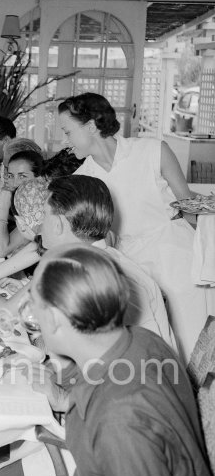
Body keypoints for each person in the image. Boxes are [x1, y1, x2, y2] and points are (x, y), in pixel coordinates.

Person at [0, 245, 214, 476]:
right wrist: (63, 396)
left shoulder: (121, 422)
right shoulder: (141, 341)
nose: (28, 316)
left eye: (33, 308)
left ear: (54, 322)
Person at [58, 92, 208, 362]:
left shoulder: (153, 151)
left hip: (175, 252)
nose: (64, 141)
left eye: (67, 132)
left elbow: (188, 207)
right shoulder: (83, 179)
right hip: (131, 263)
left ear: (91, 126)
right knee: (150, 348)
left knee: (194, 341)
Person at [0, 174, 174, 346]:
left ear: (57, 225)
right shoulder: (106, 255)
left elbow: (4, 315)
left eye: (43, 215)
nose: (39, 223)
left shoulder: (69, 269)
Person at [0, 148, 44, 258]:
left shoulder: (38, 209)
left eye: (22, 176)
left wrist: (2, 207)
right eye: (11, 175)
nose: (15, 183)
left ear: (39, 178)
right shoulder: (24, 203)